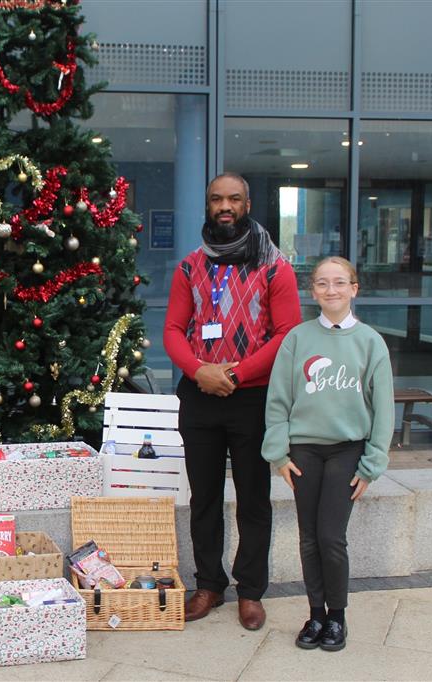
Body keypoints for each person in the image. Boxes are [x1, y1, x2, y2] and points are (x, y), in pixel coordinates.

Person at [164, 173, 302, 630]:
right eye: (217, 199)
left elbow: (287, 334)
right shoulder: (189, 267)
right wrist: (199, 370)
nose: (225, 206)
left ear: (247, 203)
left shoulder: (274, 267)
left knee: (253, 498)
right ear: (208, 205)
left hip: (253, 399)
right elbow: (171, 331)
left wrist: (237, 373)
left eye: (234, 199)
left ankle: (250, 591)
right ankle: (208, 585)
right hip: (200, 397)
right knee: (204, 497)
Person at [262, 256, 393, 652]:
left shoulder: (370, 342)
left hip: (347, 452)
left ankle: (337, 617)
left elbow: (383, 409)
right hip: (305, 451)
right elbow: (278, 401)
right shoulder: (298, 339)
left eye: (339, 282)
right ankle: (315, 614)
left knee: (330, 536)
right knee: (307, 538)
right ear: (312, 290)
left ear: (354, 288)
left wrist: (371, 463)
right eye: (322, 283)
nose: (331, 290)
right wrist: (279, 455)